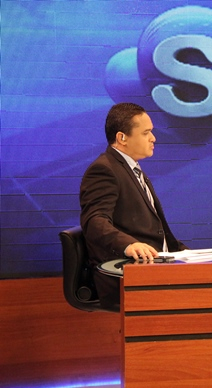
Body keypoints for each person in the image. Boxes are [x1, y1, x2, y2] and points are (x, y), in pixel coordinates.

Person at [80, 103, 188, 310]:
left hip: (156, 268)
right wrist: (129, 245)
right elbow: (94, 221)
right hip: (128, 275)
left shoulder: (132, 169)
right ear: (122, 138)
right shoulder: (104, 170)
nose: (153, 138)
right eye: (146, 133)